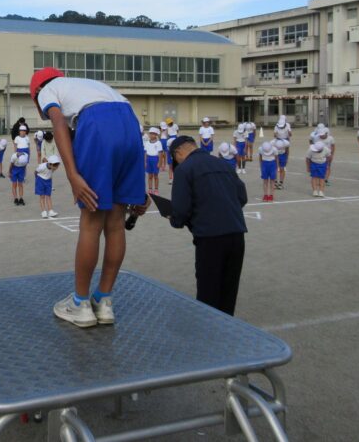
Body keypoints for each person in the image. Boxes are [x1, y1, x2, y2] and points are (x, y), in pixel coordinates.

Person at [31, 67, 147, 328]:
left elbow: (59, 123)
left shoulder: (48, 89)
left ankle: (80, 304)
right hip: (130, 124)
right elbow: (127, 132)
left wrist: (73, 175)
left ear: (36, 92)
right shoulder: (90, 86)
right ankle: (103, 302)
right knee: (116, 222)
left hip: (98, 124)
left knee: (91, 222)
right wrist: (141, 189)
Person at [168, 136, 248, 316]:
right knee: (229, 290)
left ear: (178, 153)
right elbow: (242, 197)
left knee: (208, 292)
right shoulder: (223, 164)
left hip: (210, 238)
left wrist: (174, 219)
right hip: (236, 234)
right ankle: (226, 331)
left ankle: (209, 336)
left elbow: (180, 210)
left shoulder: (184, 169)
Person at [144, 127, 165, 195]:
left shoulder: (158, 143)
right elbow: (145, 153)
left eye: (153, 134)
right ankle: (150, 189)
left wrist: (160, 162)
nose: (151, 135)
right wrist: (145, 162)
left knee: (156, 176)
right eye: (150, 134)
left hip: (155, 159)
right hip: (149, 159)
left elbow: (160, 153)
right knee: (150, 176)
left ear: (156, 135)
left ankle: (156, 189)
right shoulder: (147, 143)